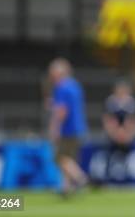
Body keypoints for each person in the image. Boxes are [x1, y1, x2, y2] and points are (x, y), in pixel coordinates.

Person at [47, 58, 88, 196]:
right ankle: (66, 188)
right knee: (70, 158)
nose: (51, 76)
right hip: (79, 127)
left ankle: (80, 178)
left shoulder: (61, 87)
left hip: (67, 129)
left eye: (53, 73)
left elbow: (62, 111)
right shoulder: (75, 85)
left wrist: (54, 129)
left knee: (60, 158)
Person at [102, 80, 135, 183]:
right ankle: (107, 178)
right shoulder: (111, 102)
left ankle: (127, 178)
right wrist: (115, 133)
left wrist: (128, 134)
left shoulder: (132, 103)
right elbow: (108, 120)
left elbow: (133, 121)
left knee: (127, 157)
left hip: (127, 136)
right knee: (109, 156)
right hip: (113, 135)